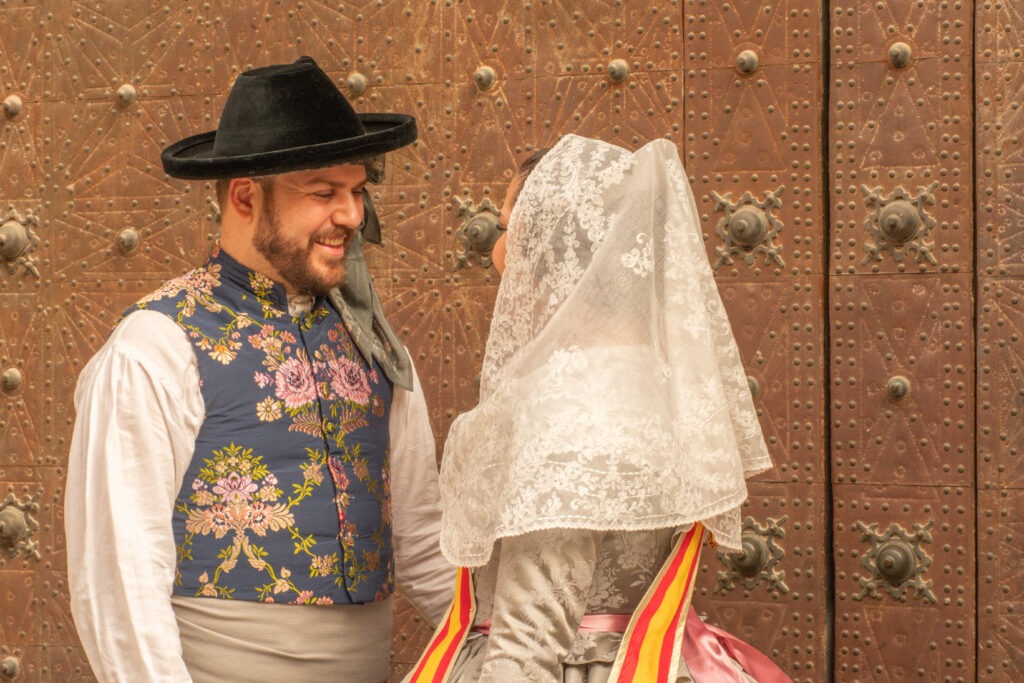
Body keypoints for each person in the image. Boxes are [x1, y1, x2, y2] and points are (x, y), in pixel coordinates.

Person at [65, 56, 453, 683]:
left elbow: (426, 545)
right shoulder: (156, 346)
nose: (352, 215)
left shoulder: (376, 346)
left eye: (357, 191)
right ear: (245, 195)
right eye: (324, 192)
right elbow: (121, 575)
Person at [407, 135, 792, 682]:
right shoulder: (661, 382)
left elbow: (531, 640)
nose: (498, 250)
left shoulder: (572, 403)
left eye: (508, 226)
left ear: (549, 251)